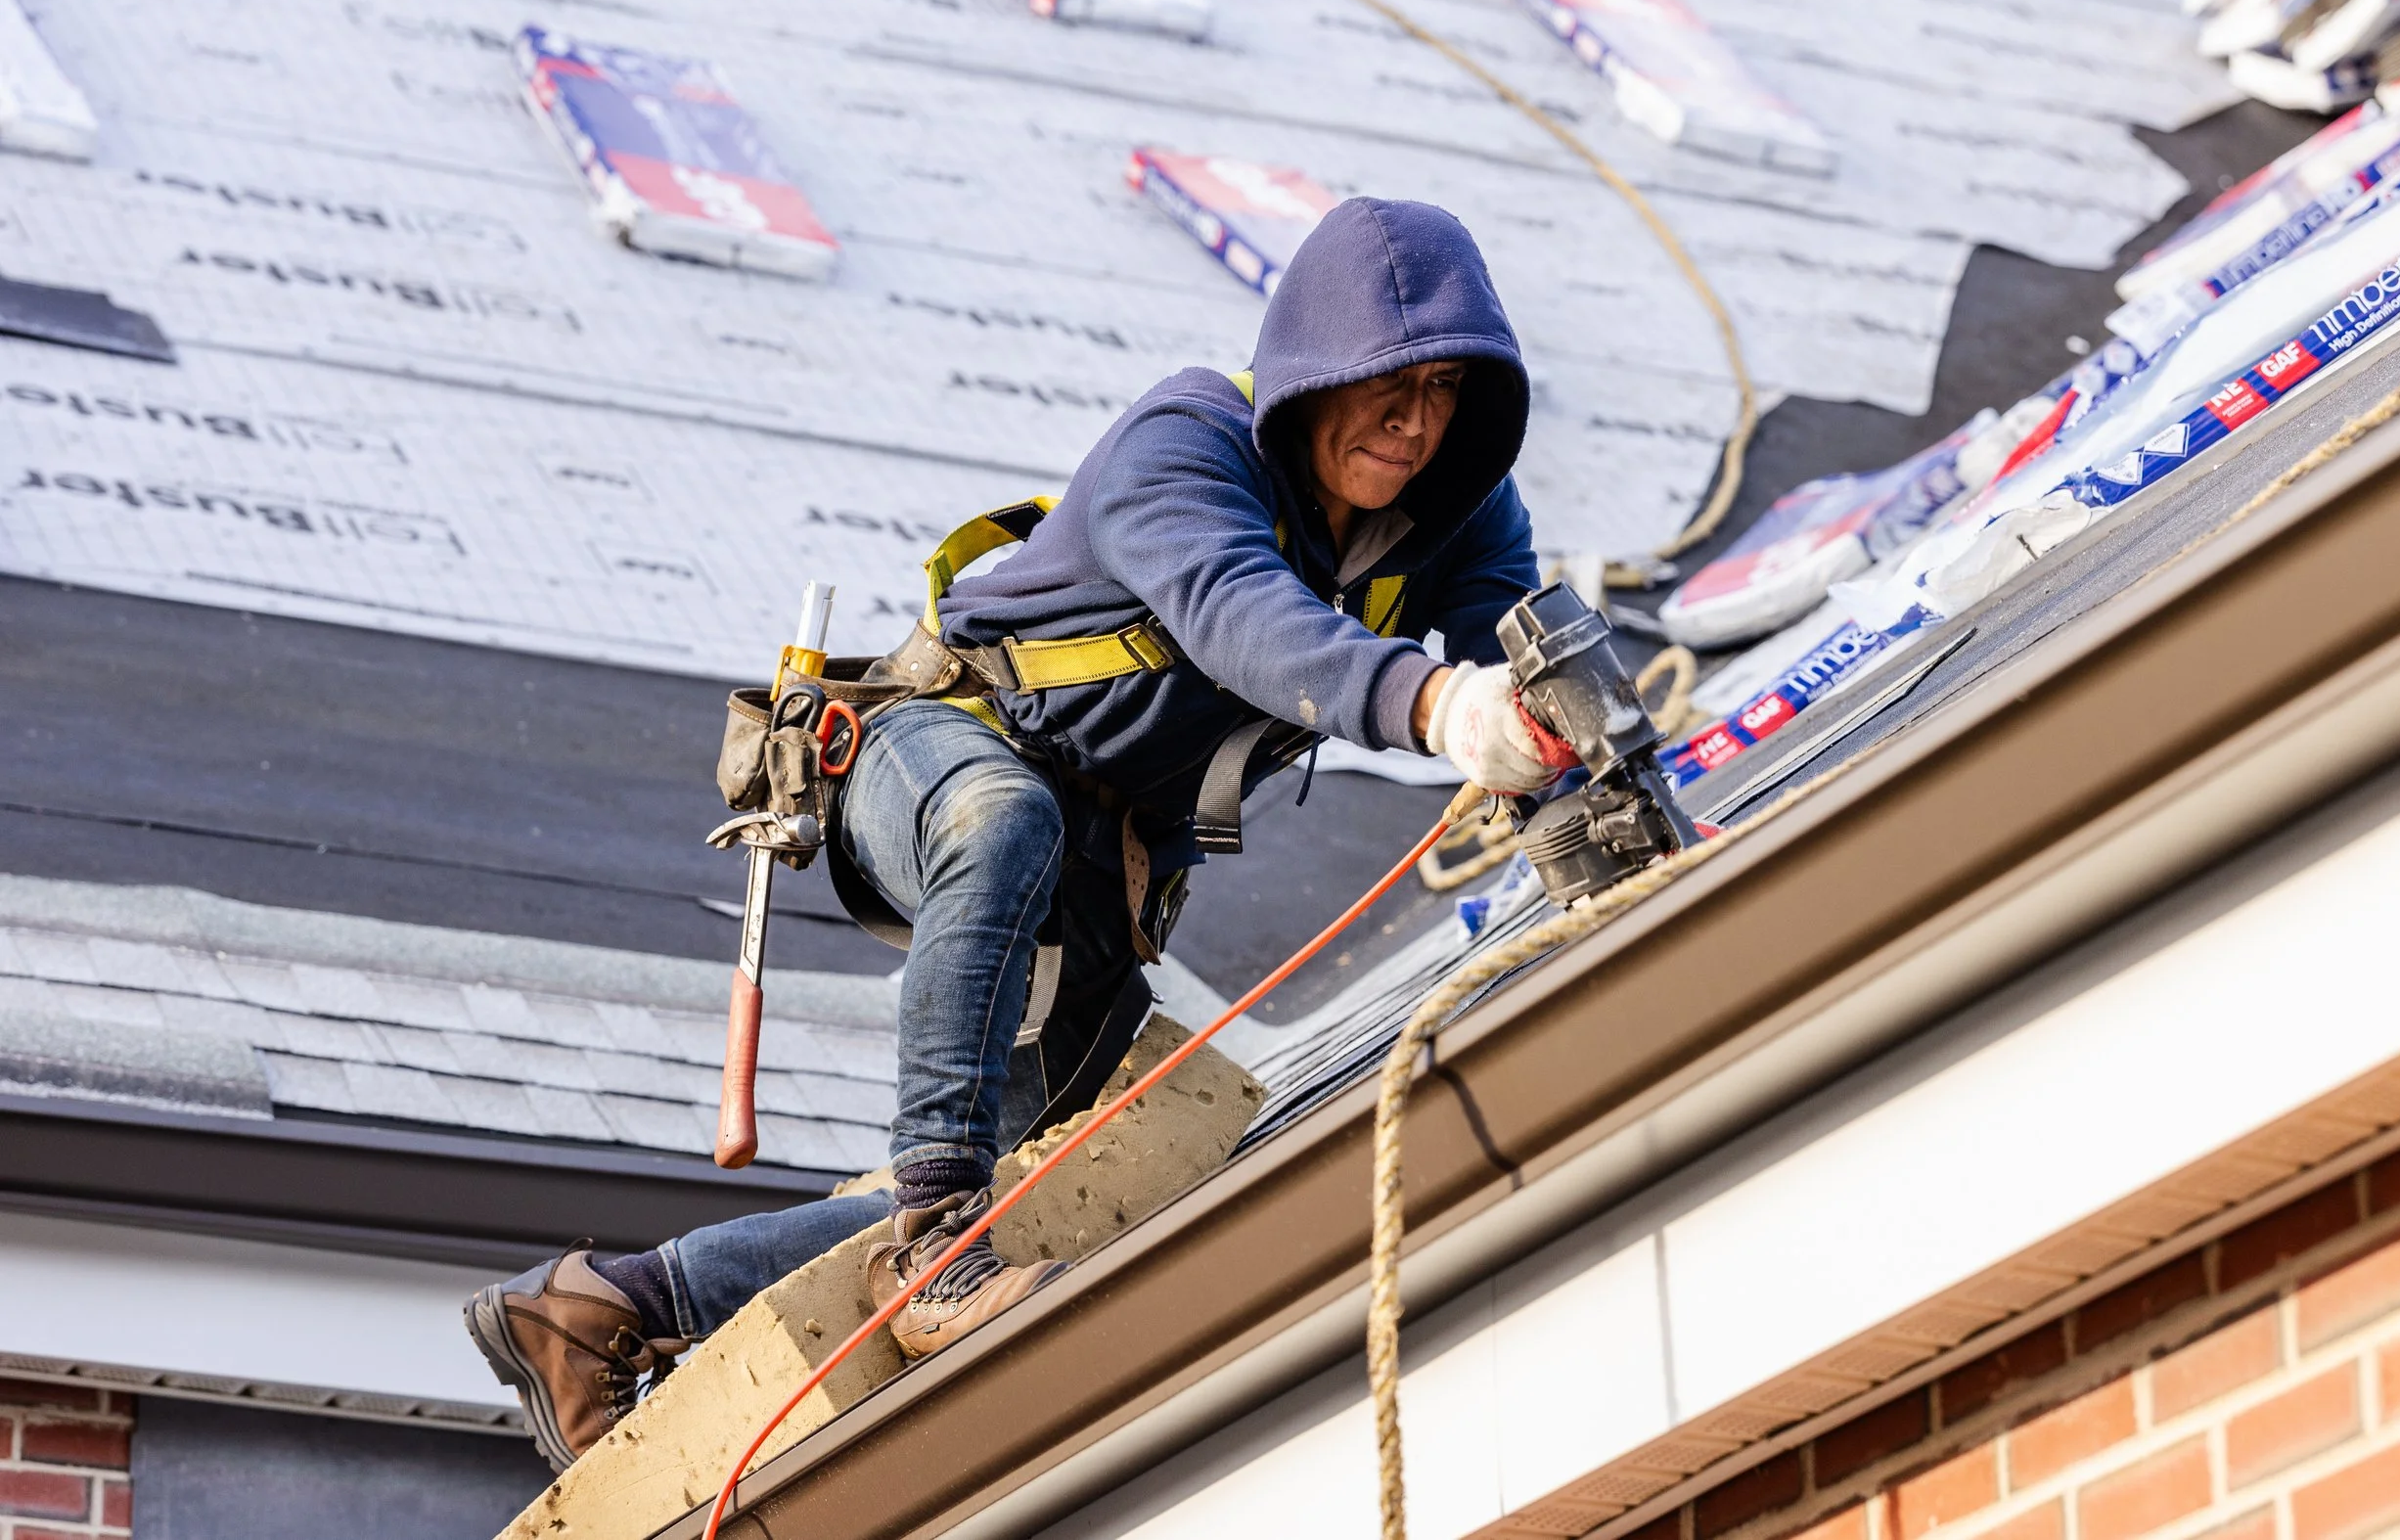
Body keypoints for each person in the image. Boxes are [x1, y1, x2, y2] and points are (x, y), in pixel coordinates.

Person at [462, 197, 1582, 1470]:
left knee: (1032, 1175)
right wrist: (1439, 703)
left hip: (1107, 874)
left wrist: (1601, 787)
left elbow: (1527, 664)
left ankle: (605, 1307)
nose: (1417, 421)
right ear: (1315, 367)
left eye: (1445, 392)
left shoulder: (1457, 516)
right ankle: (938, 1250)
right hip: (941, 747)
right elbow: (1241, 615)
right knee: (1006, 823)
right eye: (1390, 383)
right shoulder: (1189, 442)